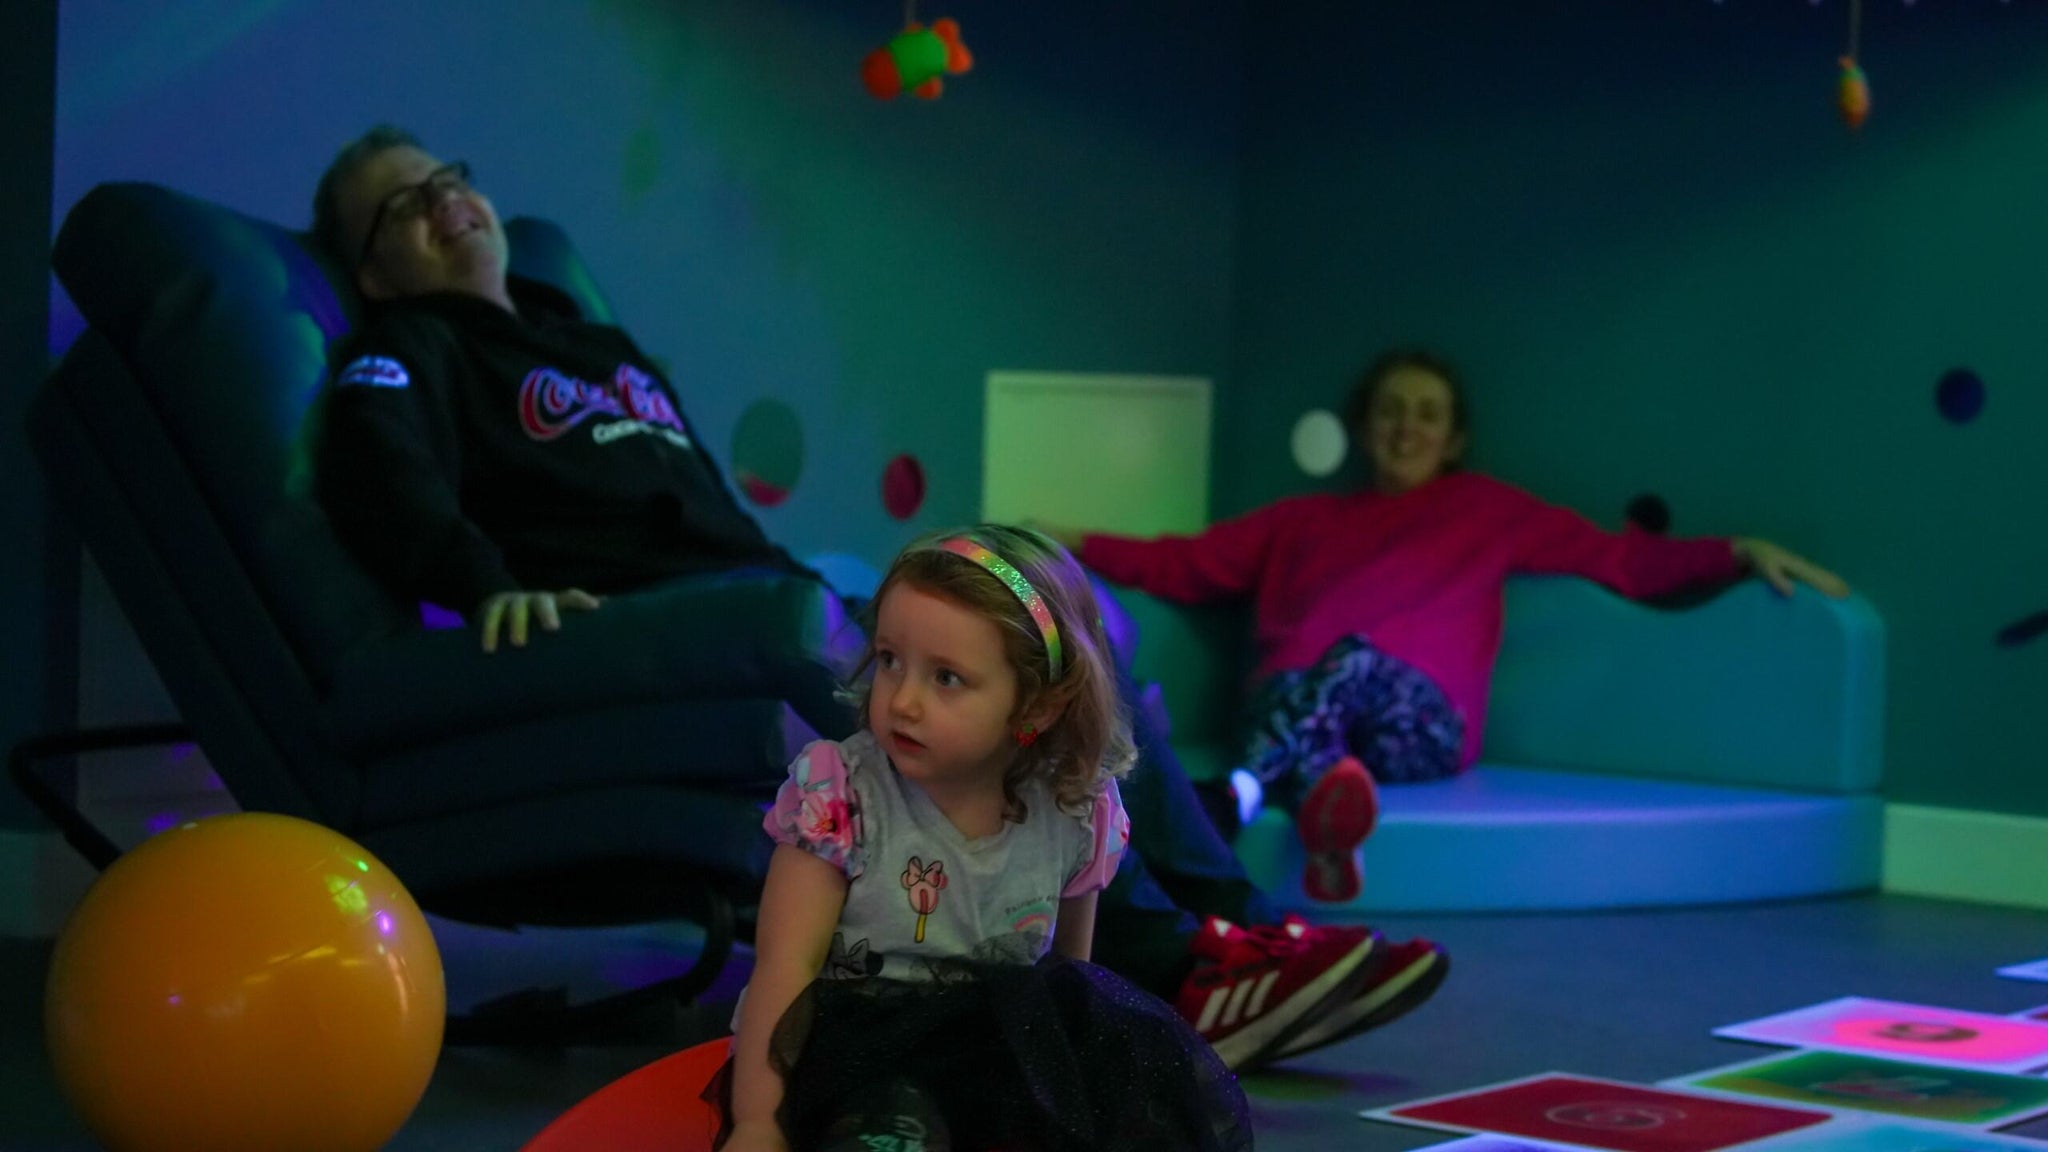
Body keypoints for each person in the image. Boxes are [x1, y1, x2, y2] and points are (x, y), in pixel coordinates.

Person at [310, 124, 1439, 1074]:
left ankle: (1242, 929)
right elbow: (377, 471)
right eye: (402, 205)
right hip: (676, 628)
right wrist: (483, 581)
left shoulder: (584, 337)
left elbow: (707, 507)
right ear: (371, 273)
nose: (443, 201)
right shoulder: (408, 347)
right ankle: (1177, 970)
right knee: (971, 689)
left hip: (771, 584)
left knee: (1064, 635)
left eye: (447, 177)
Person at [1039, 347, 1851, 904]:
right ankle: (1324, 808)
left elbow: (1622, 562)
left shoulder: (1488, 511)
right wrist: (1066, 541)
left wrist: (1737, 553)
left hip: (1415, 723)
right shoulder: (1301, 520)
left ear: (1453, 436)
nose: (1406, 427)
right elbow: (1183, 563)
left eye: (1426, 414)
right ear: (1366, 427)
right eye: (1390, 411)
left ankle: (1234, 800)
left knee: (1350, 660)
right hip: (1294, 713)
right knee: (1297, 698)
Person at [720, 525, 1250, 1151]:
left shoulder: (1076, 810)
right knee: (890, 1128)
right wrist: (758, 1122)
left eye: (946, 678)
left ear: (1037, 707)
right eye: (890, 660)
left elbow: (1070, 986)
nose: (903, 701)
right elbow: (787, 964)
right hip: (860, 1054)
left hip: (994, 1062)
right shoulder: (841, 794)